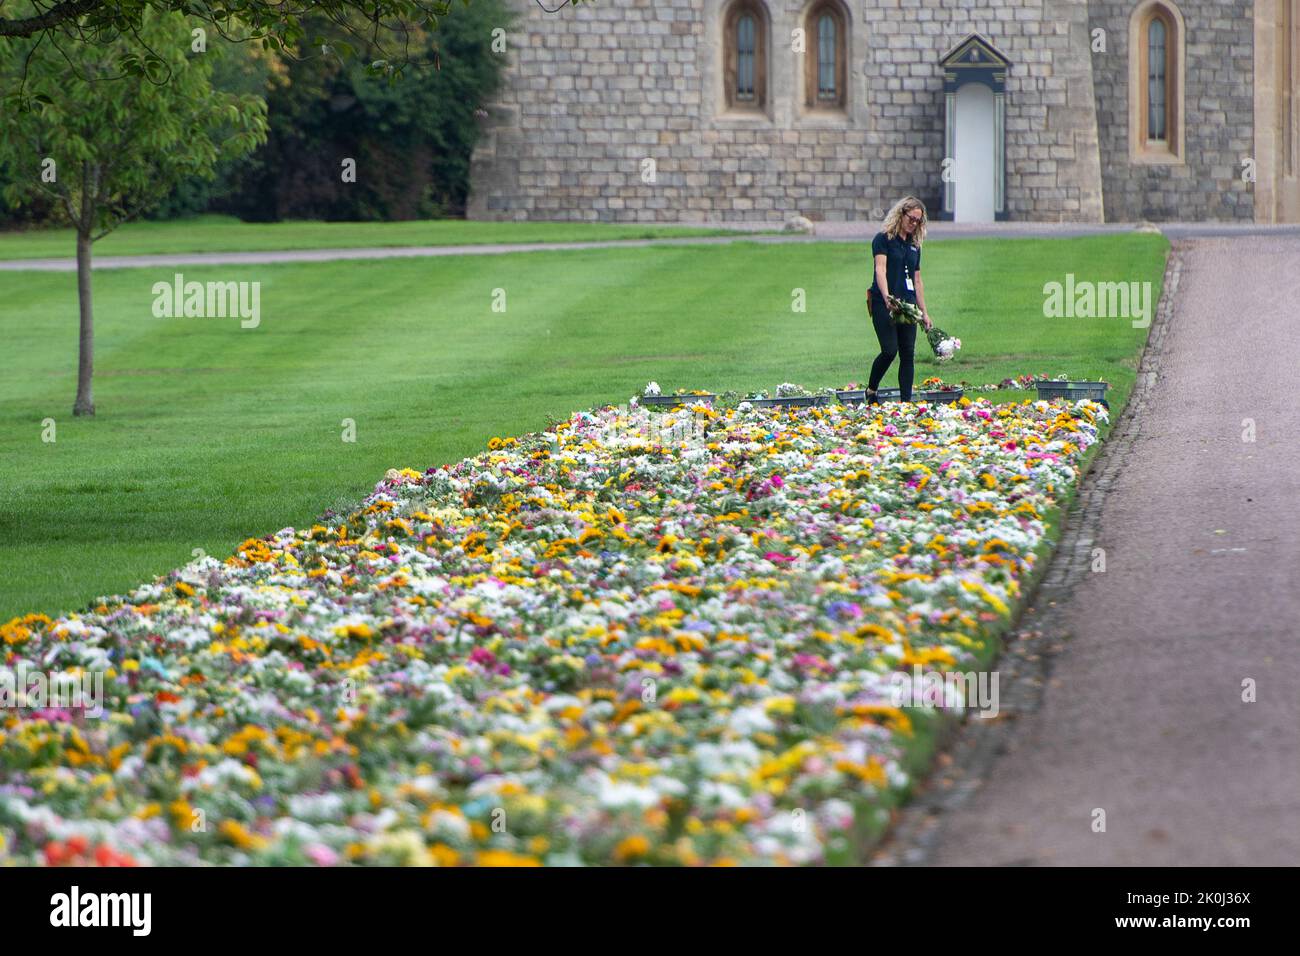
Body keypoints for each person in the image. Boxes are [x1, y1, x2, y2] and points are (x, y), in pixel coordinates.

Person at [866, 197, 933, 403]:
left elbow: (917, 279)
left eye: (918, 221)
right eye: (911, 219)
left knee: (907, 353)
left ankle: (906, 402)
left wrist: (924, 312)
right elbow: (881, 268)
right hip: (884, 301)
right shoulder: (883, 239)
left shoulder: (914, 245)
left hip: (908, 304)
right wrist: (886, 296)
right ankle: (871, 390)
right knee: (889, 350)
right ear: (901, 215)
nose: (914, 224)